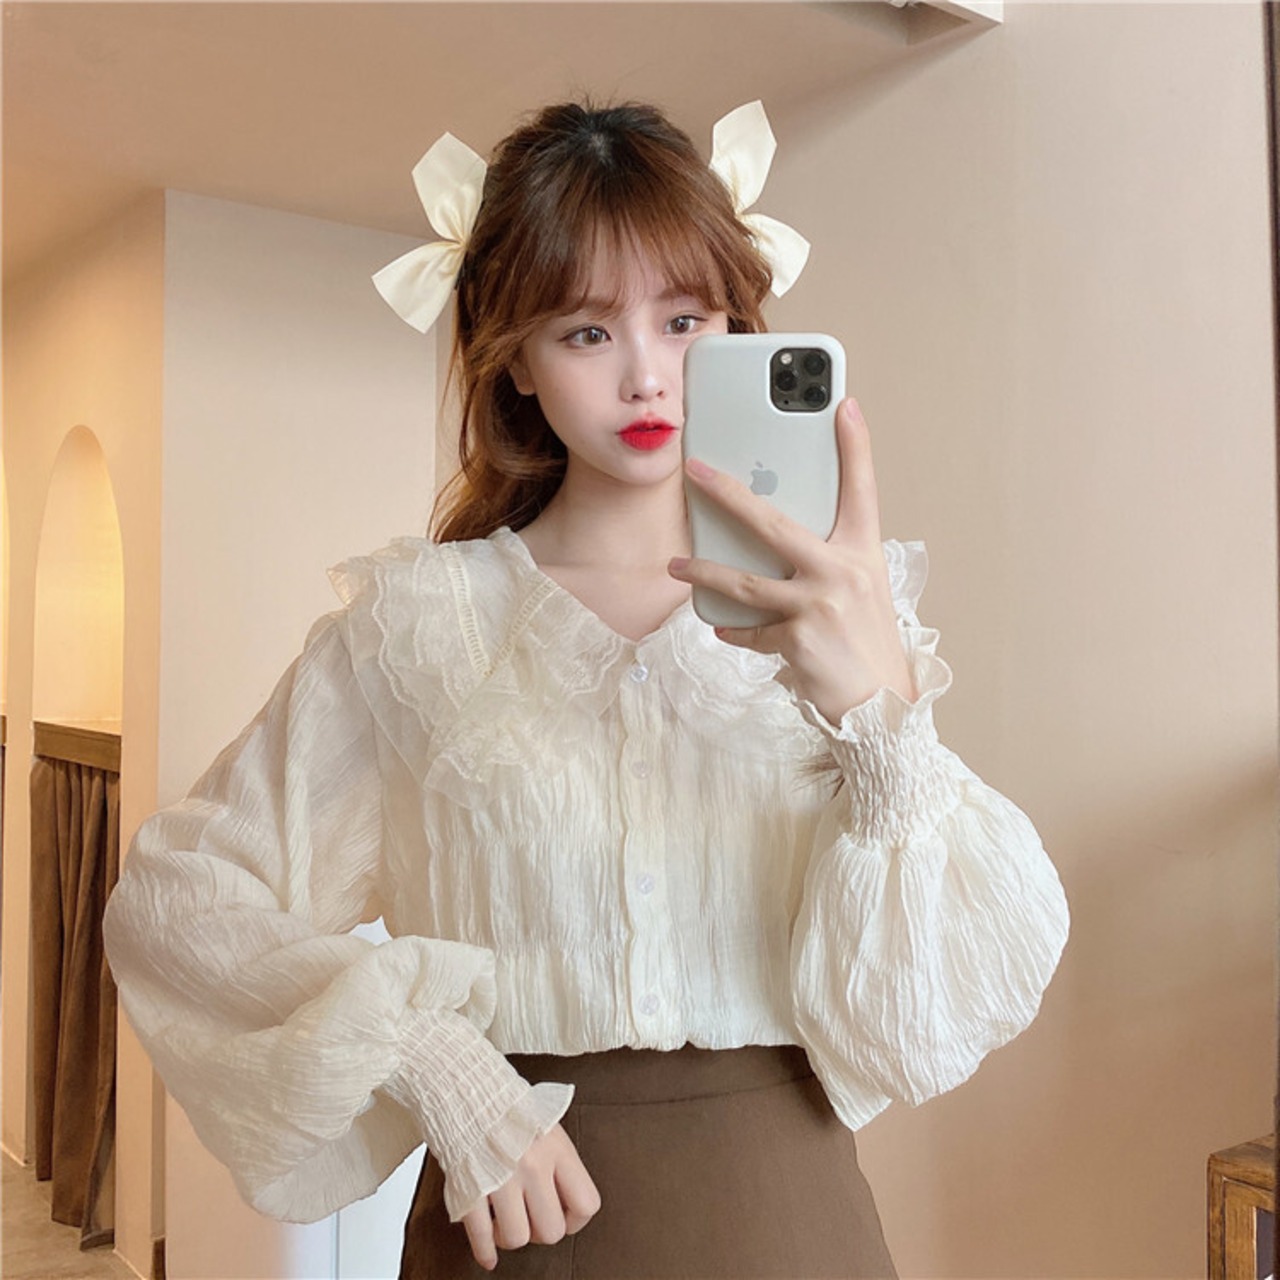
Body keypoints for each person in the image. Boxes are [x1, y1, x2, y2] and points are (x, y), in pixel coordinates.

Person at [104, 99, 1070, 1279]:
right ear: (513, 355)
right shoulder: (418, 629)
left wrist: (875, 718)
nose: (647, 374)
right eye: (586, 331)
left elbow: (925, 1014)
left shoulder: (839, 606)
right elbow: (179, 899)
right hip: (513, 1222)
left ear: (733, 326)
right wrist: (438, 1063)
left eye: (683, 320)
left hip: (781, 1215)